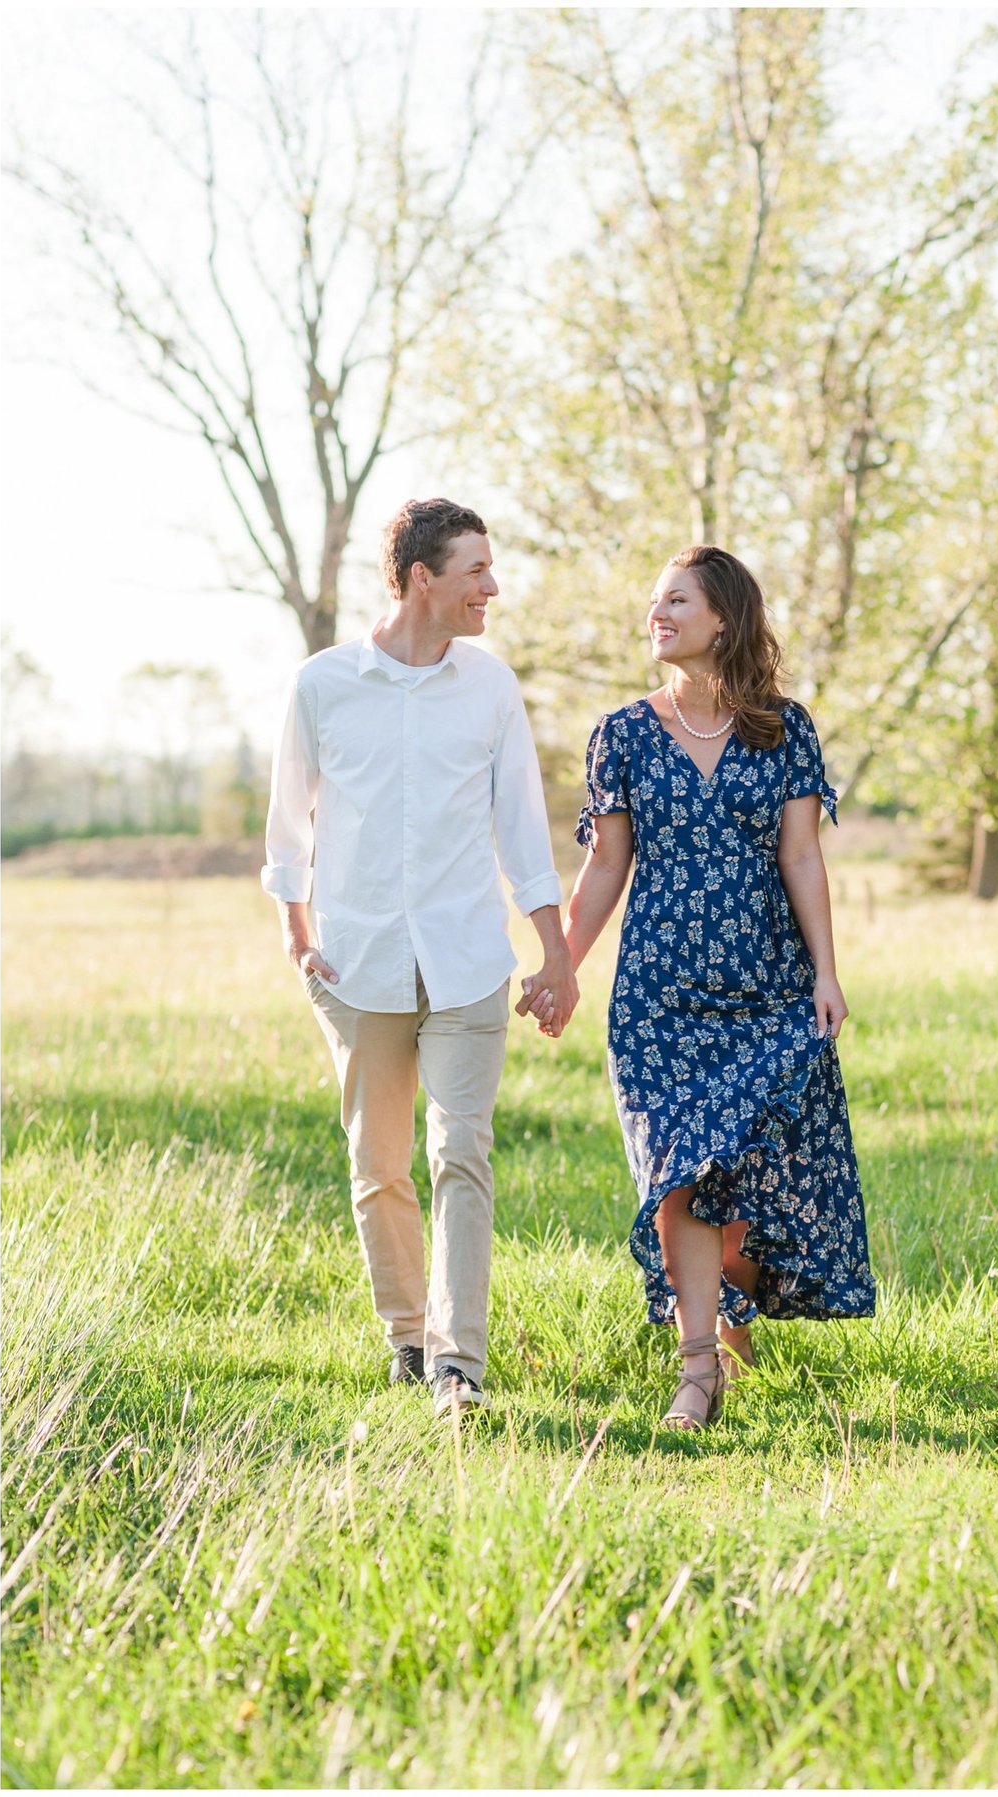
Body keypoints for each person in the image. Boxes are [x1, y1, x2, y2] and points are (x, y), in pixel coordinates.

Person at [261, 497, 578, 1418]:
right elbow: (289, 825)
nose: (493, 585)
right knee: (380, 1162)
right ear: (419, 580)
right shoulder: (323, 685)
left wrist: (554, 955)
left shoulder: (491, 688)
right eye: (476, 569)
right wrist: (297, 934)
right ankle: (407, 1334)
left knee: (462, 1151)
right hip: (357, 961)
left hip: (469, 961)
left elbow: (523, 830)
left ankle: (458, 1364)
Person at [559, 545, 875, 1430]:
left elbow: (802, 855)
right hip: (658, 998)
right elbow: (604, 866)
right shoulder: (622, 733)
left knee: (737, 1173)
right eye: (654, 601)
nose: (656, 614)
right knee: (676, 1175)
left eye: (676, 601)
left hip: (766, 986)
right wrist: (559, 964)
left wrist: (825, 970)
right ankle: (696, 1370)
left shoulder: (785, 728)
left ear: (724, 620)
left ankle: (728, 1314)